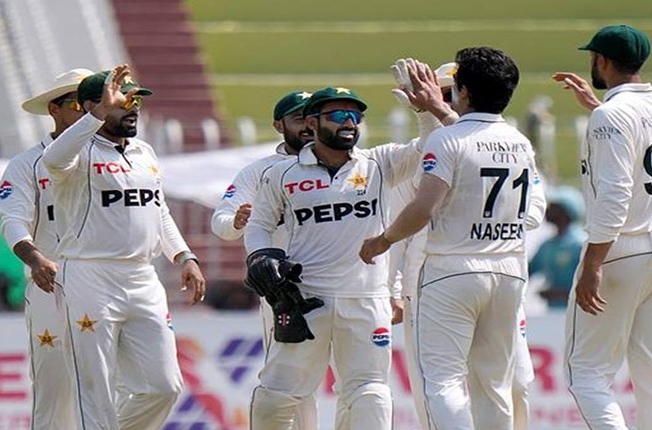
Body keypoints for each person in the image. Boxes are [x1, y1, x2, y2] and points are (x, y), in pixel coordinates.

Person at [244, 72, 449, 430]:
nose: (349, 123)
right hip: (306, 298)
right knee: (275, 397)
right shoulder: (281, 174)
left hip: (366, 300)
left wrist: (425, 112)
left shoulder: (379, 163)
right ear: (312, 122)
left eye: (355, 115)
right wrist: (261, 256)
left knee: (370, 393)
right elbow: (259, 223)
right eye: (338, 115)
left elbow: (430, 147)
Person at [360, 46, 546, 429]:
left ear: (464, 92)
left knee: (442, 382)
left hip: (450, 270)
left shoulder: (446, 141)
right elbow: (470, 139)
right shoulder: (519, 142)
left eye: (450, 90)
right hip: (508, 270)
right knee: (494, 385)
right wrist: (434, 113)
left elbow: (422, 208)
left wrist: (383, 241)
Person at [41, 64, 207, 430]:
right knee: (96, 387)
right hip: (89, 275)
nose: (132, 109)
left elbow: (157, 209)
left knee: (163, 387)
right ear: (92, 106)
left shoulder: (145, 152)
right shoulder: (77, 152)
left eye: (136, 101)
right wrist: (99, 113)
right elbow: (52, 159)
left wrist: (184, 255)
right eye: (123, 101)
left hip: (142, 276)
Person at [555, 25, 652, 429]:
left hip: (622, 249)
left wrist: (593, 263)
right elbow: (639, 147)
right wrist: (598, 109)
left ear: (602, 61)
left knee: (587, 374)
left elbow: (615, 193)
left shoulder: (610, 116)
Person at [211, 90, 319, 430]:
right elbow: (221, 223)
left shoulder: (347, 163)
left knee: (355, 379)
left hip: (343, 282)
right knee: (290, 381)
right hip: (284, 289)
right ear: (278, 125)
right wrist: (236, 222)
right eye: (298, 118)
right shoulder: (258, 172)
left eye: (313, 117)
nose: (308, 125)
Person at [0, 67, 93, 428]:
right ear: (54, 109)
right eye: (78, 105)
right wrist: (35, 258)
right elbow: (12, 219)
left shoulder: (113, 160)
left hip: (105, 282)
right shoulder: (26, 164)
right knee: (55, 388)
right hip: (51, 283)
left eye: (94, 103)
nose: (88, 113)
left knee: (116, 386)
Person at [530, 186, 586, 309]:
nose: (547, 209)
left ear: (567, 211)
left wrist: (560, 294)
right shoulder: (547, 246)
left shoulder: (580, 243)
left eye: (553, 207)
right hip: (553, 312)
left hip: (578, 311)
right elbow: (527, 271)